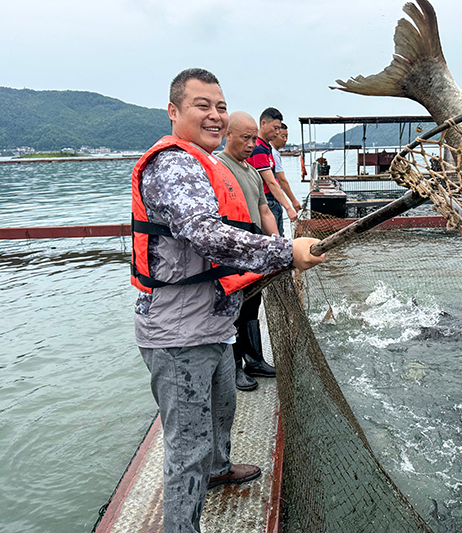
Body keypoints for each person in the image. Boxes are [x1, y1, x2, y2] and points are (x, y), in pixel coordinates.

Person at [130, 68, 324, 533]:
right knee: (187, 446)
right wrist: (284, 252)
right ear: (174, 111)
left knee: (223, 409)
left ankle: (218, 471)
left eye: (220, 106)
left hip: (213, 325)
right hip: (178, 335)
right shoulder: (174, 164)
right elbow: (205, 234)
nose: (214, 115)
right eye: (202, 105)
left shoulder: (206, 161)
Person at [217, 111, 279, 392]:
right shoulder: (217, 167)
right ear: (227, 134)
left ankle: (255, 360)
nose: (252, 143)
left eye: (254, 138)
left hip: (254, 250)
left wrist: (278, 244)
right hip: (231, 253)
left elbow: (264, 209)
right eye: (246, 137)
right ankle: (234, 369)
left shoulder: (252, 172)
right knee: (234, 310)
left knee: (253, 305)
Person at [246, 107, 295, 236]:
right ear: (263, 124)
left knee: (280, 238)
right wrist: (289, 207)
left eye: (279, 129)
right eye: (275, 128)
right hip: (266, 202)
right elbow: (271, 182)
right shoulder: (258, 149)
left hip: (273, 201)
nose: (277, 132)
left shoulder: (266, 147)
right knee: (274, 242)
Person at [270, 124, 302, 222]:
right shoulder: (273, 154)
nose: (285, 140)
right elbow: (282, 180)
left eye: (286, 137)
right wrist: (293, 201)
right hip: (272, 200)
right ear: (274, 135)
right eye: (283, 136)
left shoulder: (273, 152)